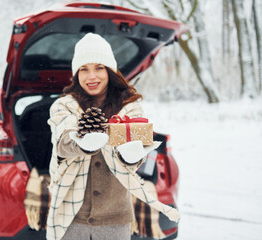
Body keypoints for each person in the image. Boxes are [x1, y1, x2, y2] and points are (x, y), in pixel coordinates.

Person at [46, 33, 179, 240]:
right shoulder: (64, 106)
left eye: (99, 68)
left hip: (114, 220)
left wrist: (131, 155)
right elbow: (62, 141)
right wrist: (81, 143)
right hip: (70, 217)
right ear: (76, 74)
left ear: (110, 70)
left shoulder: (130, 108)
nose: (92, 76)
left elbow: (138, 155)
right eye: (84, 69)